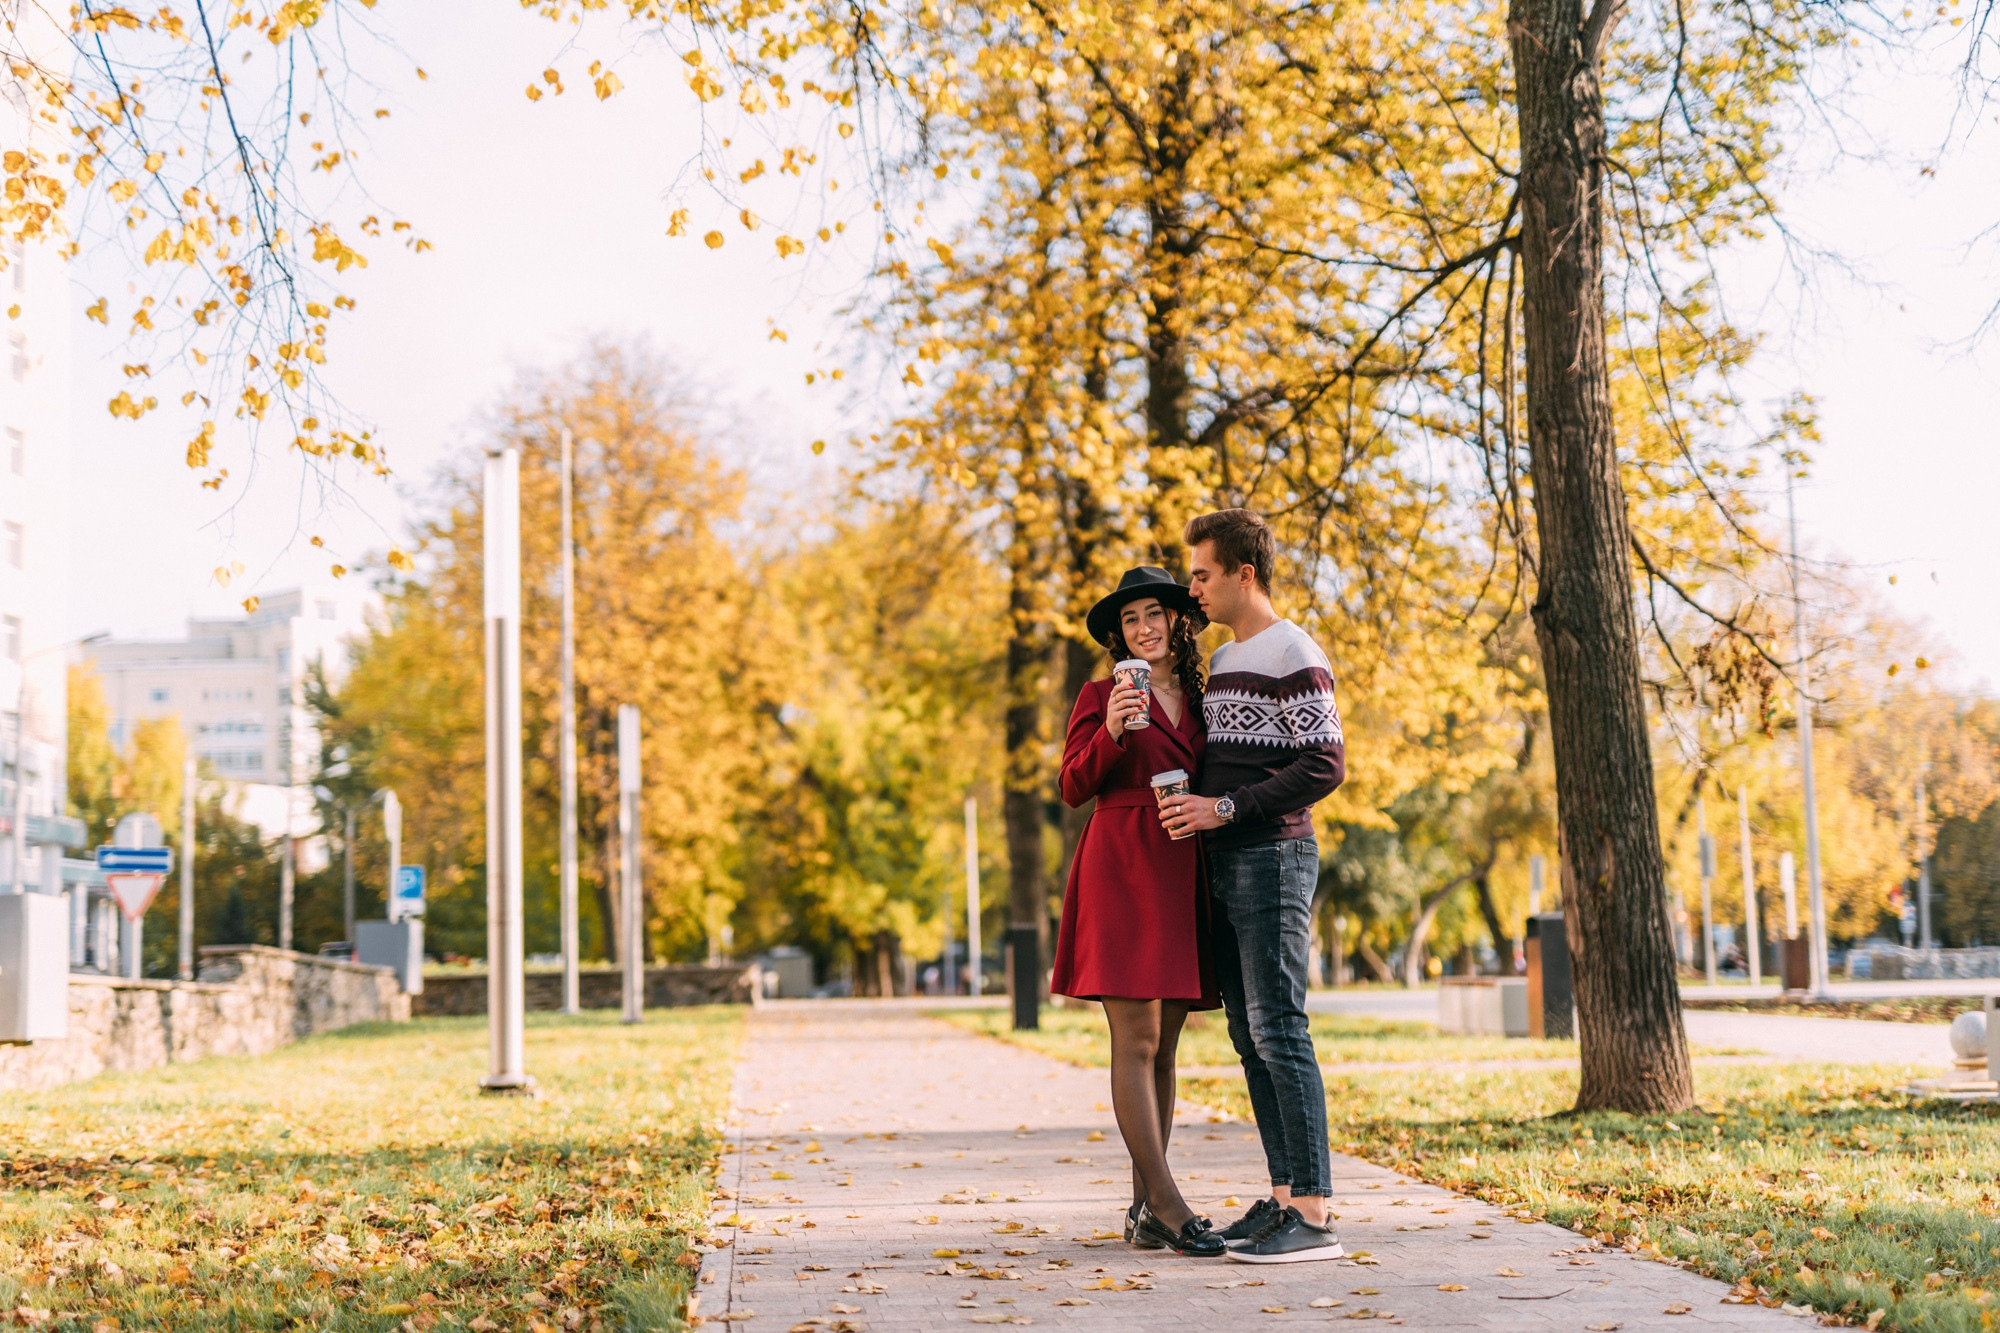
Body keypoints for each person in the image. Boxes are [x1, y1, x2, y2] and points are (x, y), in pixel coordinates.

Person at [1157, 509, 1347, 1264]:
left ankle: (1315, 1211)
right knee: (1248, 1035)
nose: (1193, 588)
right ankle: (1284, 1196)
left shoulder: (1293, 650)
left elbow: (1324, 762)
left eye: (1203, 574)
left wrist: (1226, 807)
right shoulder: (1229, 657)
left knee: (1280, 1029)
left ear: (1245, 573)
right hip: (1225, 862)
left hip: (1273, 856)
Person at [1052, 565, 1226, 1259]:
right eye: (1130, 619)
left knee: (1167, 1046)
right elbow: (1072, 786)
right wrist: (1111, 733)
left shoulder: (1205, 699)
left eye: (1154, 613)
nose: (1144, 627)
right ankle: (1169, 1204)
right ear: (1118, 636)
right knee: (1137, 1039)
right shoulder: (1101, 695)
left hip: (1182, 866)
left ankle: (1143, 1209)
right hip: (1120, 865)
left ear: (1177, 621)